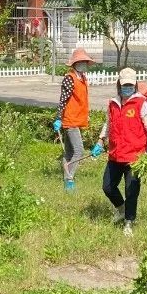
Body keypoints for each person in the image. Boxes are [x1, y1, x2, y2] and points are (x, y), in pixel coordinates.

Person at [91, 67, 147, 236]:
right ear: (119, 85)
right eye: (124, 85)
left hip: (135, 156)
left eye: (130, 85)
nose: (127, 88)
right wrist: (100, 141)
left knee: (131, 191)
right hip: (115, 154)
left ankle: (129, 221)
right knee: (108, 187)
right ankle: (121, 209)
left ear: (135, 85)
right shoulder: (113, 103)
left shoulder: (141, 103)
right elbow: (108, 123)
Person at [53, 48, 95, 191]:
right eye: (80, 62)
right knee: (79, 151)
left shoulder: (82, 78)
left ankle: (67, 179)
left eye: (84, 62)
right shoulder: (70, 78)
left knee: (69, 152)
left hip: (77, 119)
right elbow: (63, 100)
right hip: (70, 120)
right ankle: (69, 178)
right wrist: (58, 118)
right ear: (75, 64)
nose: (83, 64)